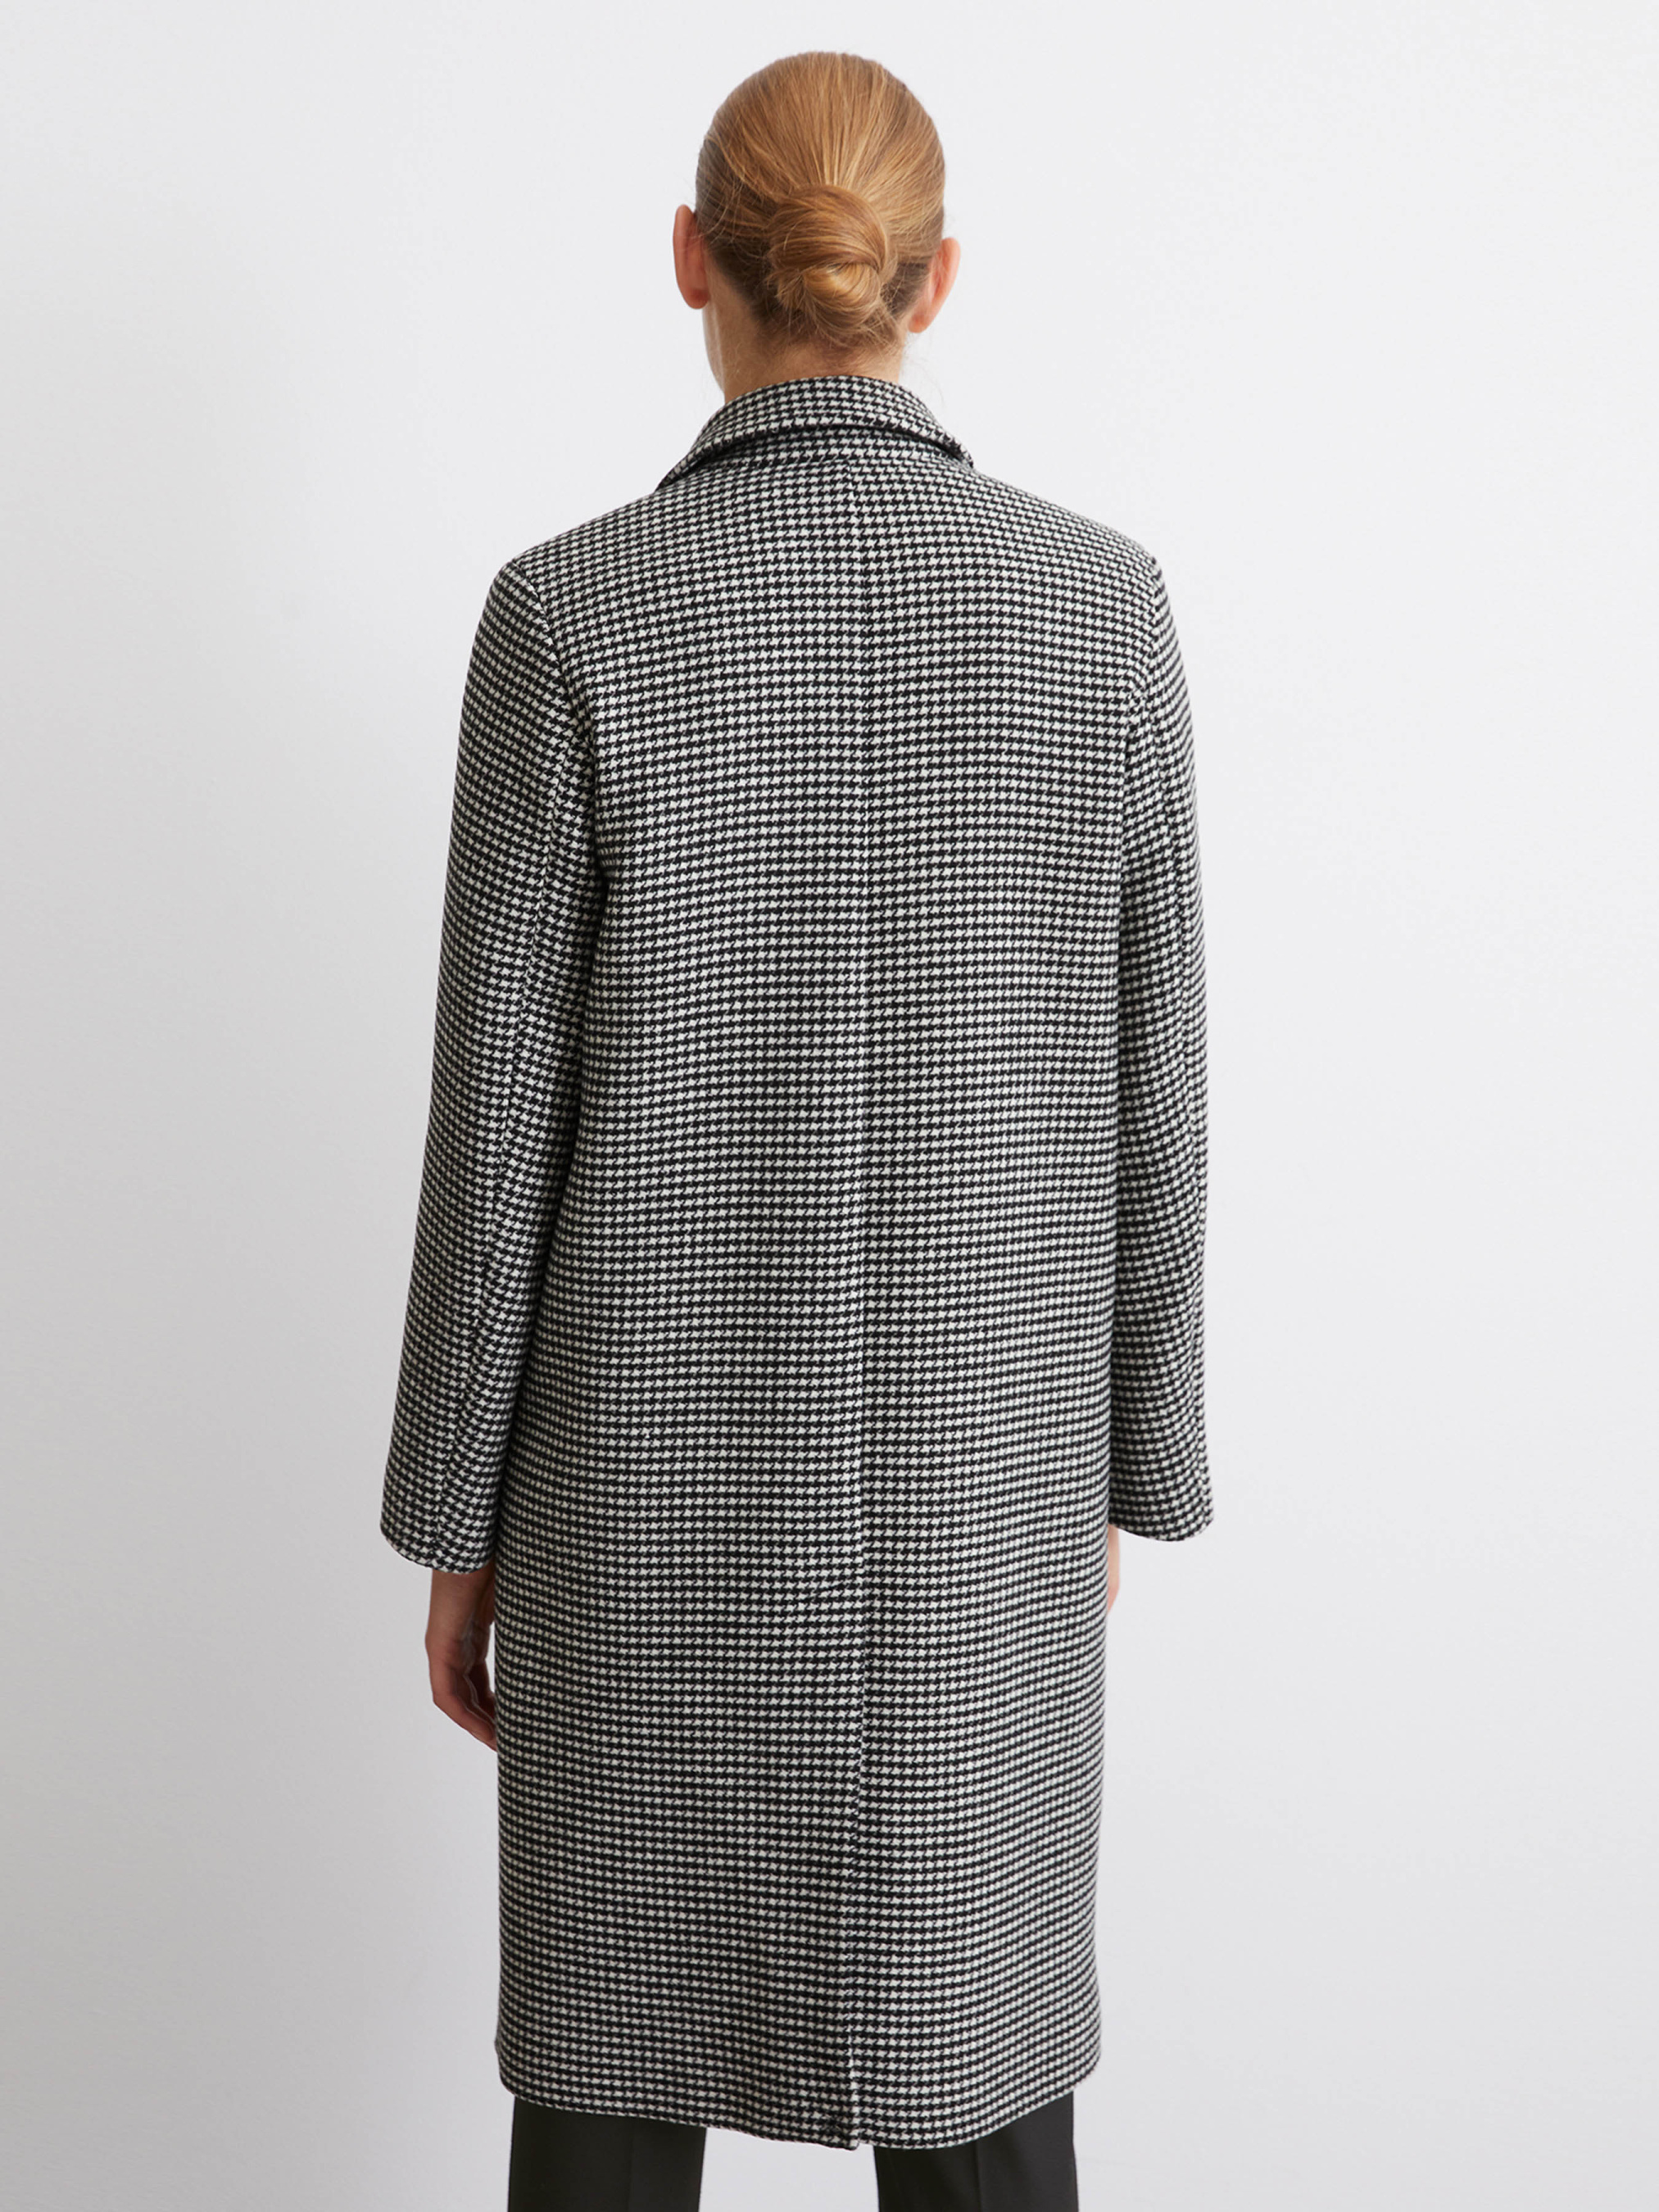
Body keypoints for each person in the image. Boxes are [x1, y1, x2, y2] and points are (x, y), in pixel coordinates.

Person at [380, 48, 1212, 2212]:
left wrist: (455, 1517)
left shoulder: (569, 617)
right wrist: (1127, 1468)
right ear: (937, 277)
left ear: (692, 260)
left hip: (635, 1496)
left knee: (607, 2085)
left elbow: (496, 1123)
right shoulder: (1098, 609)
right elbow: (1158, 1089)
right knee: (978, 2088)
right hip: (983, 1490)